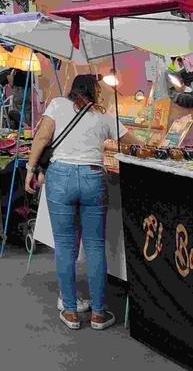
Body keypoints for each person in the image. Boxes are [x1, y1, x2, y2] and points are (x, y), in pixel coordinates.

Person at [25, 74, 135, 331]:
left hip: (60, 176)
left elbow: (42, 139)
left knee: (64, 245)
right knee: (95, 246)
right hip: (92, 177)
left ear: (73, 89)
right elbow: (133, 143)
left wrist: (31, 169)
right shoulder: (104, 116)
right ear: (95, 92)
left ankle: (71, 311)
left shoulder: (58, 105)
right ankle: (98, 313)